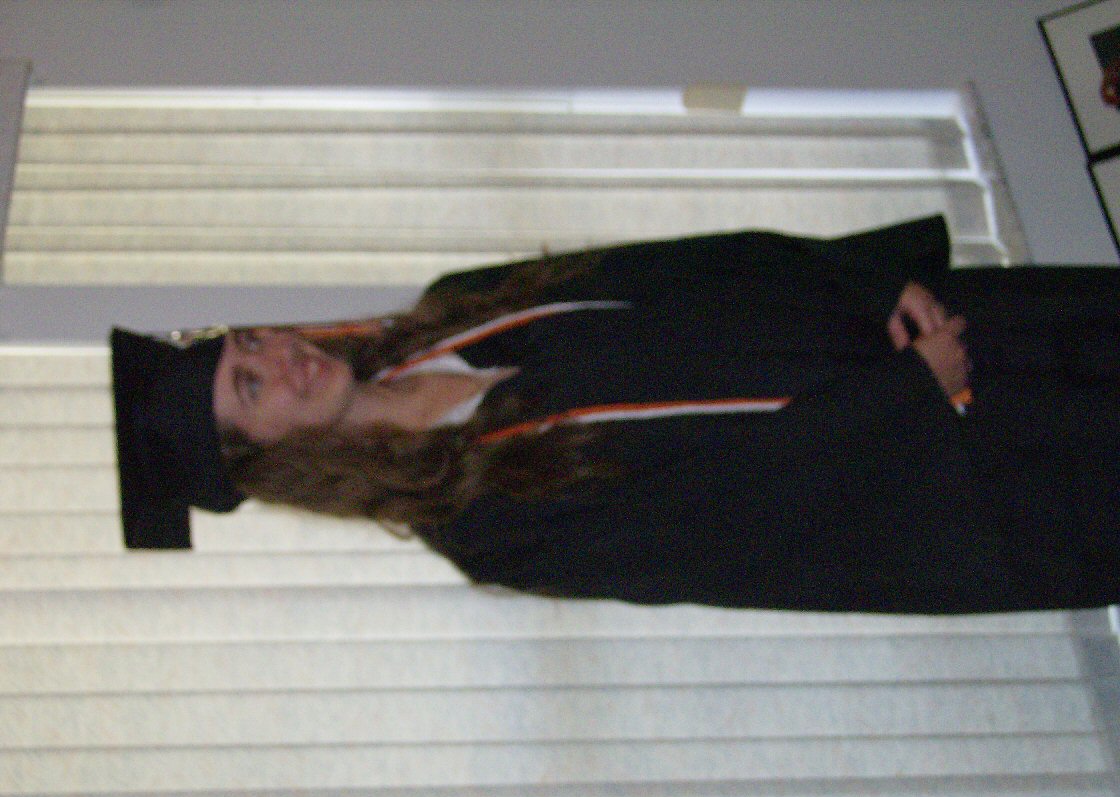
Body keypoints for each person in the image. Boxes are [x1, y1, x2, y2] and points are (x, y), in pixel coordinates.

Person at [110, 215, 1120, 614]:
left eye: (250, 343)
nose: (279, 358)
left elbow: (693, 267)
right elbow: (724, 522)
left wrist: (869, 282)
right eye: (250, 388)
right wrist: (906, 396)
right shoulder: (481, 524)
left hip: (936, 330)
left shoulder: (458, 304)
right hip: (955, 475)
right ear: (268, 460)